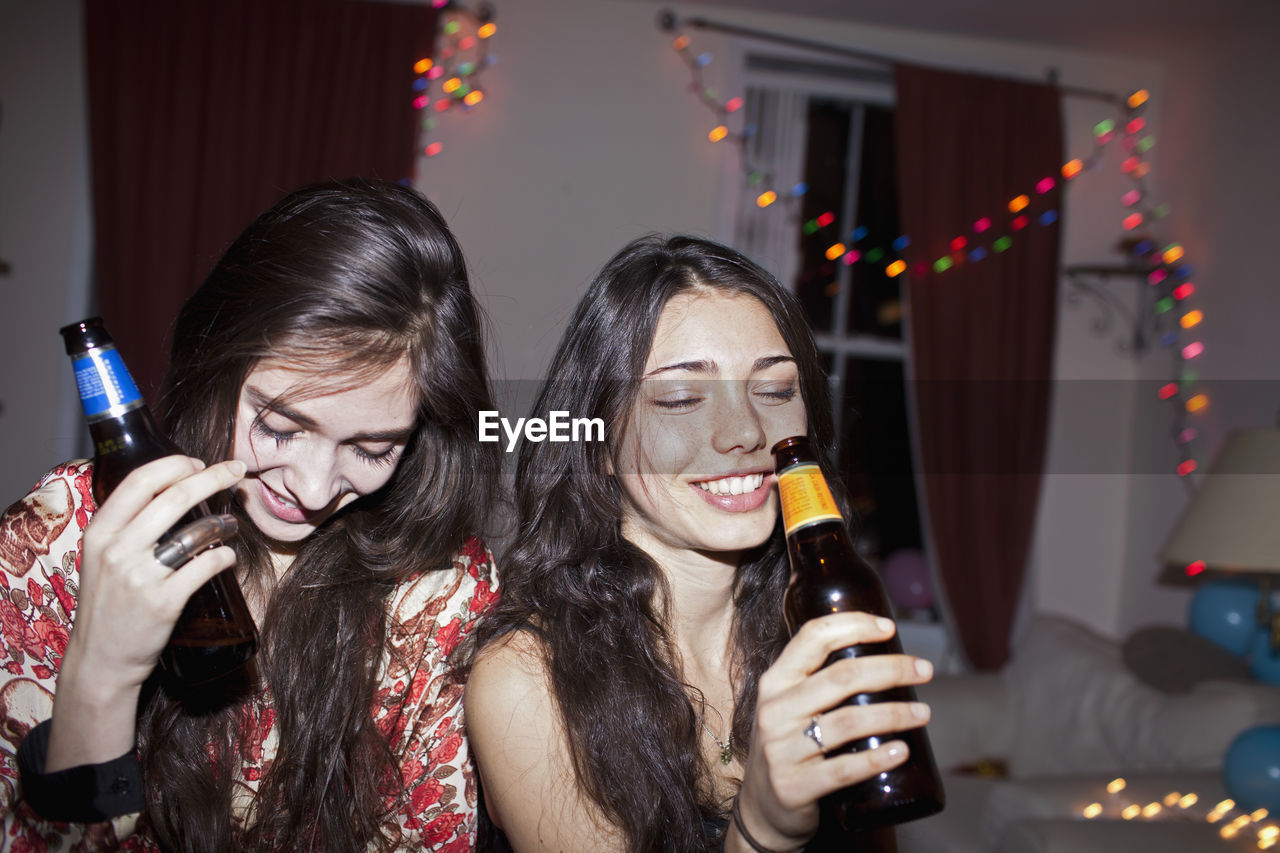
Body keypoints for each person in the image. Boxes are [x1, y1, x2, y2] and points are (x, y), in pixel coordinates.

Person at [0, 179, 500, 852]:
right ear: (222, 362)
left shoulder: (437, 589)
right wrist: (103, 672)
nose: (315, 488)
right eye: (282, 426)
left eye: (371, 447)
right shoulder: (60, 536)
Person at [464, 235, 935, 852]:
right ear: (598, 443)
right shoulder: (528, 679)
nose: (745, 431)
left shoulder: (819, 625)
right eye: (682, 399)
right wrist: (762, 829)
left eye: (774, 391)